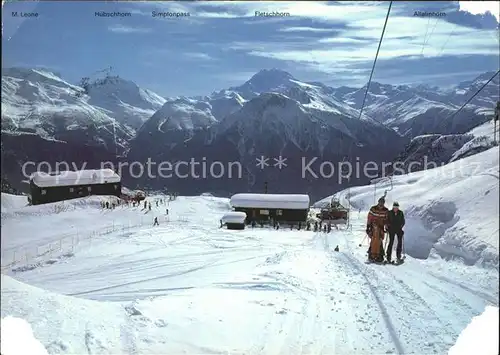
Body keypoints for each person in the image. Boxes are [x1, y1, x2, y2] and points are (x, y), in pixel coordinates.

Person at [366, 197, 389, 262]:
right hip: (373, 226)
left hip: (381, 227)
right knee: (373, 239)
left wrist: (387, 227)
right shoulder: (373, 209)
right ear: (378, 202)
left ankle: (380, 255)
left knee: (379, 240)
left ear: (384, 203)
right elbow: (369, 218)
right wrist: (368, 227)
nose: (381, 204)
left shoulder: (385, 210)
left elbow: (386, 220)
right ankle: (371, 255)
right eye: (380, 202)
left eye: (382, 203)